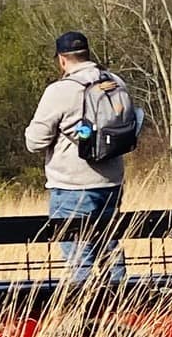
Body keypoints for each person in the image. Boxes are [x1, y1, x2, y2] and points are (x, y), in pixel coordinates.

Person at [25, 31, 137, 282]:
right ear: (87, 53)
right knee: (110, 250)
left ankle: (84, 315)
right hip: (112, 182)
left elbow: (35, 141)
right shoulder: (116, 83)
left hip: (72, 186)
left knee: (79, 258)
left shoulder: (61, 90)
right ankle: (122, 306)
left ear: (62, 60)